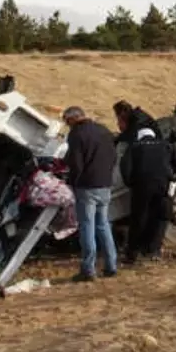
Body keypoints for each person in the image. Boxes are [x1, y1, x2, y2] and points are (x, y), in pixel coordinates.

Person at [62, 105, 118, 281]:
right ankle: (111, 265)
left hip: (87, 186)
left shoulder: (76, 134)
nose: (67, 125)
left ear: (72, 119)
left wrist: (71, 181)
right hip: (105, 184)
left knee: (87, 226)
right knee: (103, 224)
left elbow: (76, 163)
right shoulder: (104, 130)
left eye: (66, 121)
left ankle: (88, 270)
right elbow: (114, 157)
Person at [119, 122, 176, 263]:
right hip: (163, 187)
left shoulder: (134, 147)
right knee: (160, 218)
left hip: (142, 187)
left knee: (139, 219)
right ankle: (153, 250)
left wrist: (131, 183)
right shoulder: (167, 145)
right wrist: (174, 181)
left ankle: (133, 254)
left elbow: (125, 167)